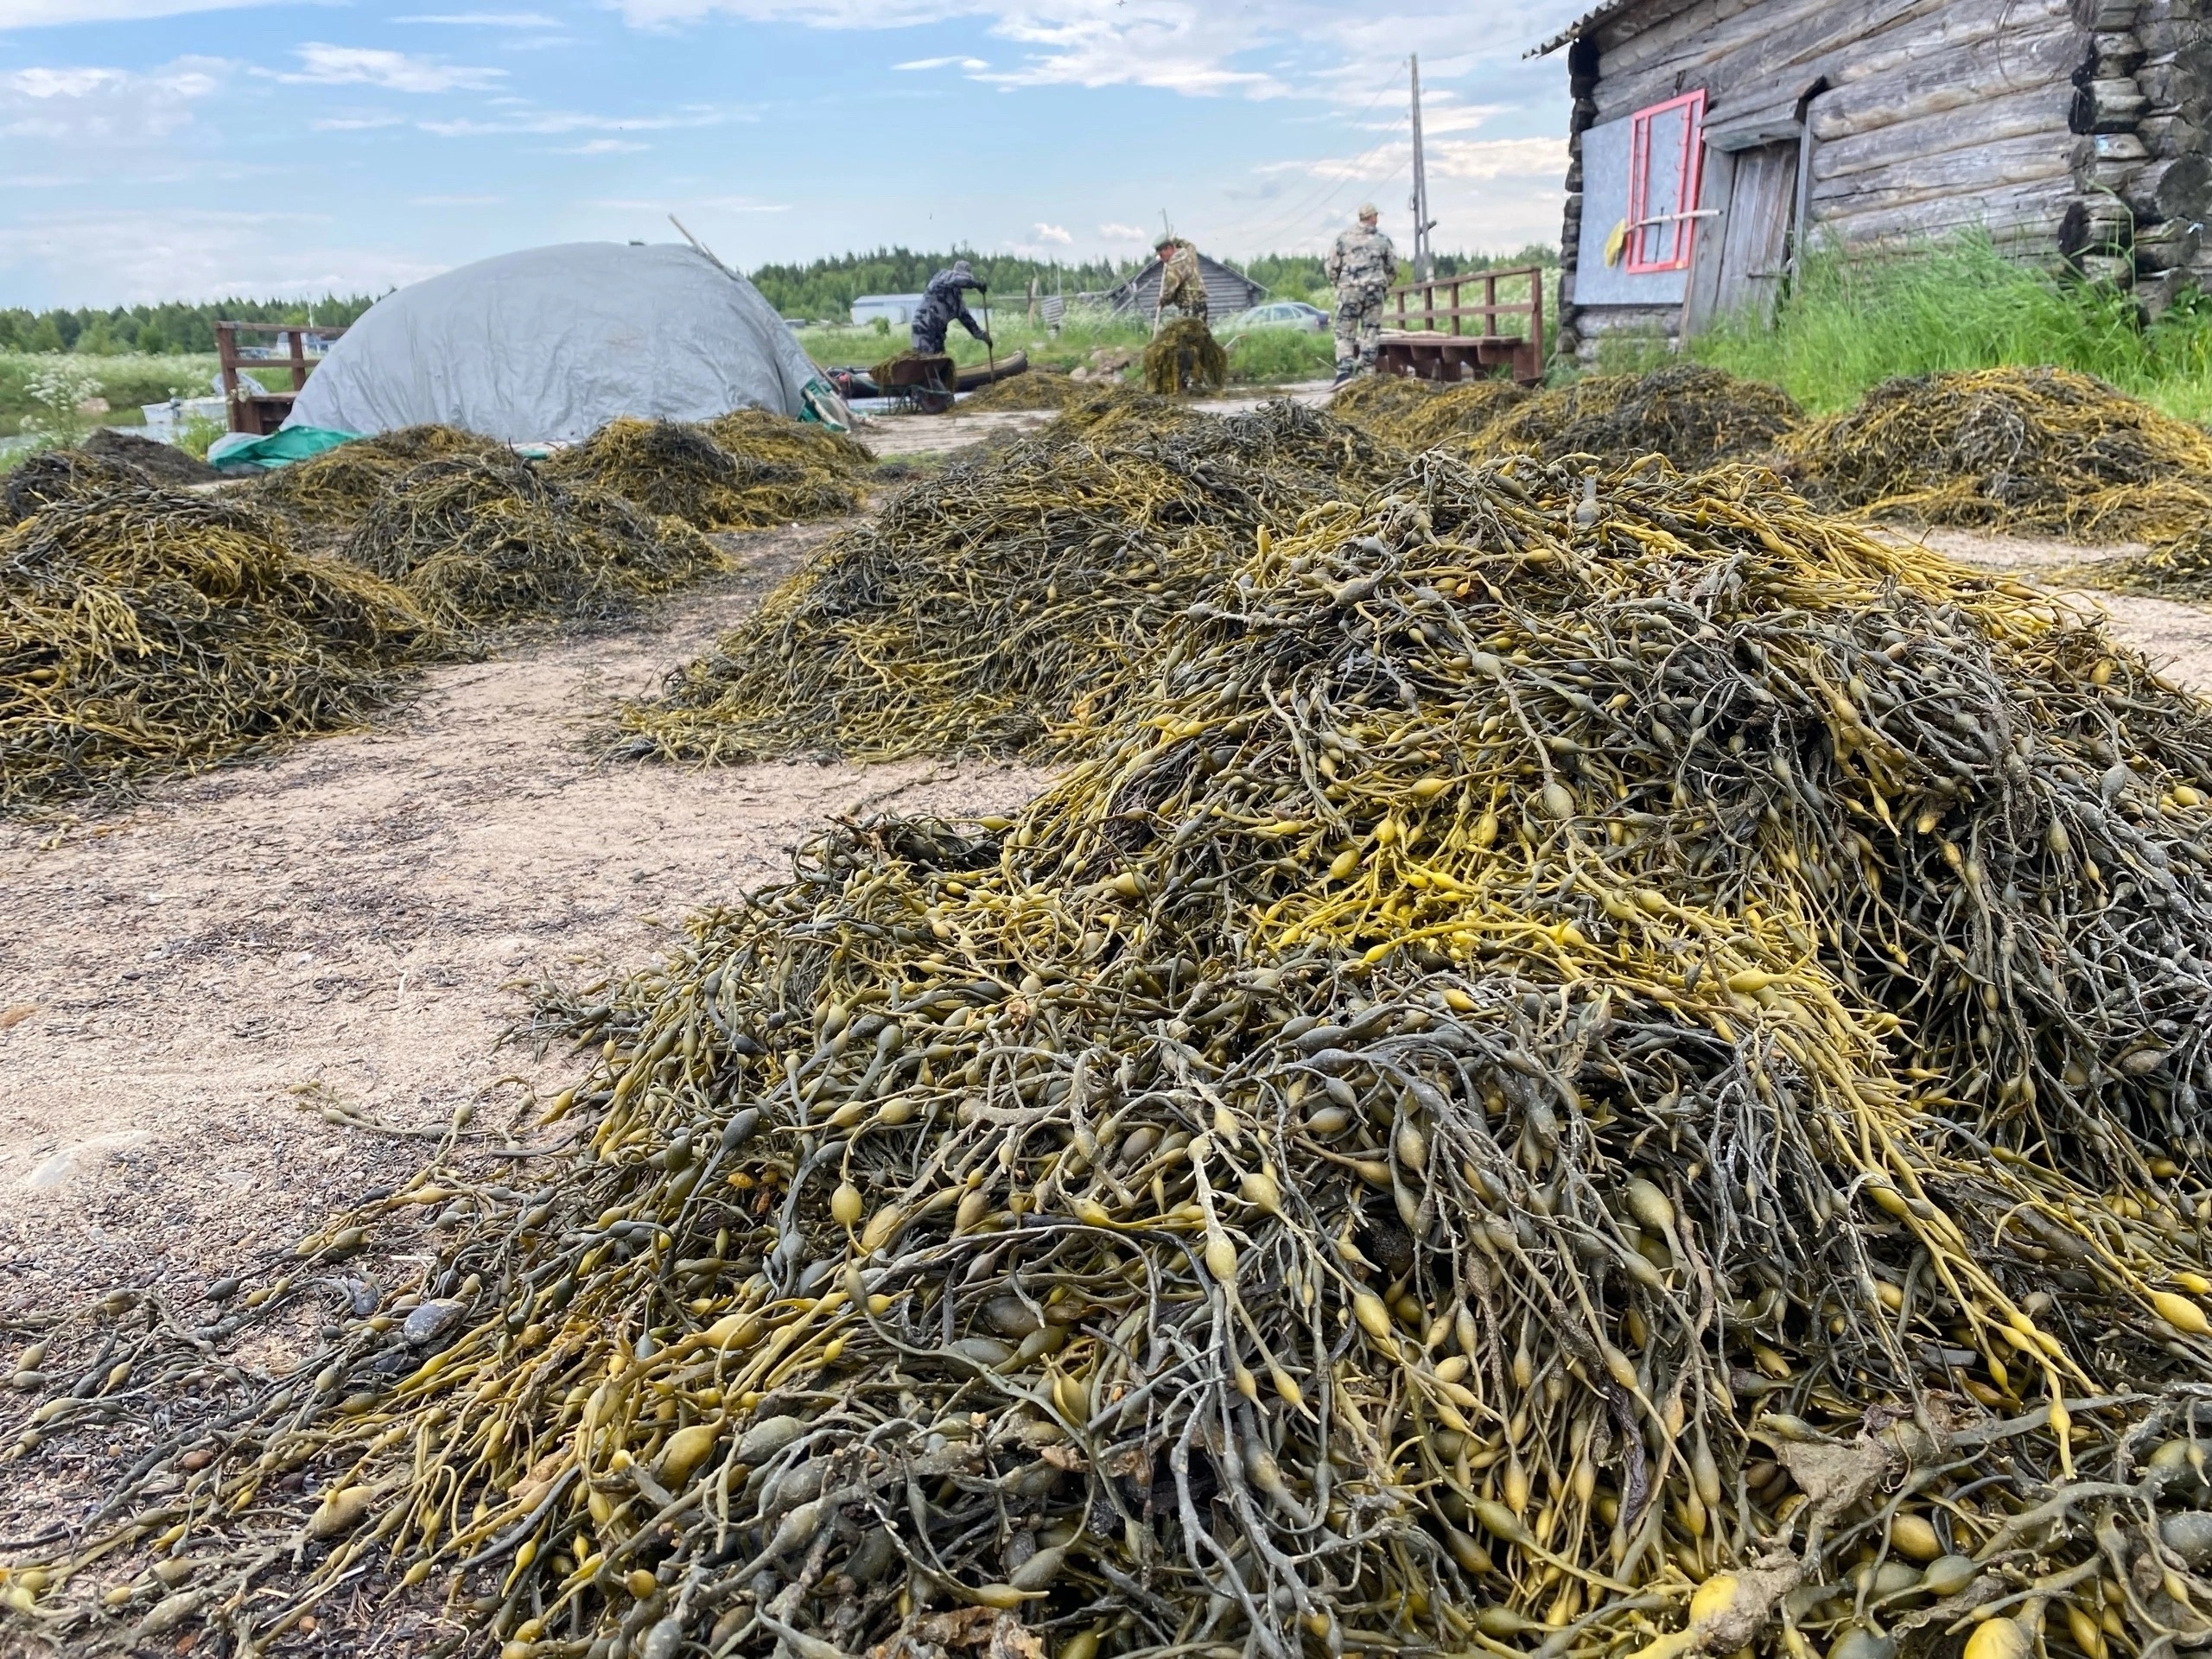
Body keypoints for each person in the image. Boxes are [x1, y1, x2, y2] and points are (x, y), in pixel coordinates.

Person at [1325, 203, 1399, 384]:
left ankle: (1345, 370)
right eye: (1376, 216)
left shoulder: (1343, 239)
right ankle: (1367, 373)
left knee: (1344, 331)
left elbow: (1331, 266)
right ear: (1372, 217)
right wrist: (1384, 283)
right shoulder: (1382, 239)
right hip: (1374, 291)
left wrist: (1340, 284)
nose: (1377, 219)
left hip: (1349, 290)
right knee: (1370, 330)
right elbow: (1393, 267)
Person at [910, 259, 991, 355]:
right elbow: (960, 280)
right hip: (923, 327)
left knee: (940, 363)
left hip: (938, 334)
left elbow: (968, 321)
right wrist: (976, 284)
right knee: (926, 362)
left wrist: (983, 336)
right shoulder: (943, 277)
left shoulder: (957, 302)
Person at [1154, 235, 1208, 330]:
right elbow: (1189, 244)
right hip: (1202, 305)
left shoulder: (1174, 266)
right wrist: (1176, 240)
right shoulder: (1189, 252)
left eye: (1162, 255)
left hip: (1188, 308)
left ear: (1169, 248)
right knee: (1200, 335)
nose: (1162, 259)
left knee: (1189, 339)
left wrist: (1162, 302)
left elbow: (1169, 292)